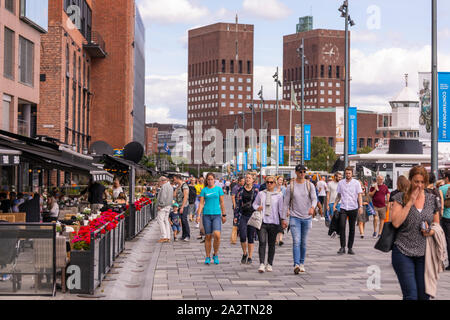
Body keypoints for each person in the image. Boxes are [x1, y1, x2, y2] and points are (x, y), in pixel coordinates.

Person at [391, 166, 440, 300]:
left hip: (425, 253)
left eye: (422, 182)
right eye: (416, 181)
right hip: (403, 250)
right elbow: (395, 222)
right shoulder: (400, 197)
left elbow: (436, 225)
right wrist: (410, 202)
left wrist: (429, 231)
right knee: (411, 295)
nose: (419, 185)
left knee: (424, 296)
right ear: (410, 180)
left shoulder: (432, 199)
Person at [283, 165, 317, 274]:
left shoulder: (309, 185)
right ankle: (296, 264)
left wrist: (312, 207)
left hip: (307, 217)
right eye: (300, 171)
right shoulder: (290, 186)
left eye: (304, 171)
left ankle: (302, 263)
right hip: (294, 217)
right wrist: (283, 218)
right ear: (296, 172)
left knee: (304, 242)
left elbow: (314, 198)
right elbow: (285, 203)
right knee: (296, 241)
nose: (302, 173)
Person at [252, 176, 287, 273]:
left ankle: (270, 263)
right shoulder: (261, 194)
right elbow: (254, 204)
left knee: (271, 244)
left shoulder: (279, 195)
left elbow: (281, 209)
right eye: (267, 182)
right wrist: (257, 207)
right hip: (263, 221)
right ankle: (262, 263)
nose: (269, 184)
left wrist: (283, 220)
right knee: (262, 242)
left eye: (271, 182)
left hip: (274, 222)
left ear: (275, 184)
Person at [196, 172, 226, 265]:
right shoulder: (204, 190)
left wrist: (224, 214)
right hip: (206, 215)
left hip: (217, 214)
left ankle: (215, 254)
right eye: (208, 179)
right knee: (208, 236)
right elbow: (201, 203)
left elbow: (222, 202)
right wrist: (198, 215)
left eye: (211, 179)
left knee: (217, 235)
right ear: (206, 180)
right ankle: (207, 256)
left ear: (214, 180)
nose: (210, 181)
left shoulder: (218, 189)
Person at [333, 166, 363, 255]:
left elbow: (359, 195)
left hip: (353, 207)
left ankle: (350, 248)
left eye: (349, 173)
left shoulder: (356, 183)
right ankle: (342, 247)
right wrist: (334, 205)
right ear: (344, 174)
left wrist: (360, 206)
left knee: (352, 228)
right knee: (342, 226)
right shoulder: (341, 183)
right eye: (346, 173)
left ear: (352, 174)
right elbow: (339, 195)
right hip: (343, 207)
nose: (348, 175)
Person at [234, 174, 259, 265]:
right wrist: (235, 217)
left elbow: (259, 202)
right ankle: (245, 253)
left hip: (252, 216)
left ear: (253, 180)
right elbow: (237, 205)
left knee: (251, 237)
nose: (247, 179)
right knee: (243, 236)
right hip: (243, 215)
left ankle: (250, 257)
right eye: (246, 178)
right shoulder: (240, 190)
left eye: (249, 178)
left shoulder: (256, 190)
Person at [156, 176, 173, 243]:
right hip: (168, 205)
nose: (159, 183)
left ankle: (164, 236)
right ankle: (168, 236)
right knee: (166, 220)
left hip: (163, 206)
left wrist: (160, 205)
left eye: (159, 182)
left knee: (160, 220)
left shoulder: (164, 186)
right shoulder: (170, 186)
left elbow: (163, 196)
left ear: (162, 181)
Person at [173, 175, 190, 242]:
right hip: (179, 205)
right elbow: (174, 195)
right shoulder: (178, 186)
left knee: (184, 220)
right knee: (181, 221)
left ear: (178, 179)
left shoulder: (184, 186)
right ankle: (183, 235)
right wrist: (176, 188)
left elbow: (185, 197)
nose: (174, 181)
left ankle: (187, 235)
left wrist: (182, 207)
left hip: (184, 205)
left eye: (175, 179)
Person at [439, 171, 450, 270]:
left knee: (448, 239)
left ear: (446, 178)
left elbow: (439, 204)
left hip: (446, 217)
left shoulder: (442, 188)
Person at [275, 176, 287, 246]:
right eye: (279, 180)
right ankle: (276, 239)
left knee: (281, 223)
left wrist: (287, 209)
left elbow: (286, 199)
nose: (280, 181)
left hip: (282, 209)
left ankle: (280, 239)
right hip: (274, 209)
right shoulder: (274, 188)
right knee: (275, 224)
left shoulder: (284, 189)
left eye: (282, 180)